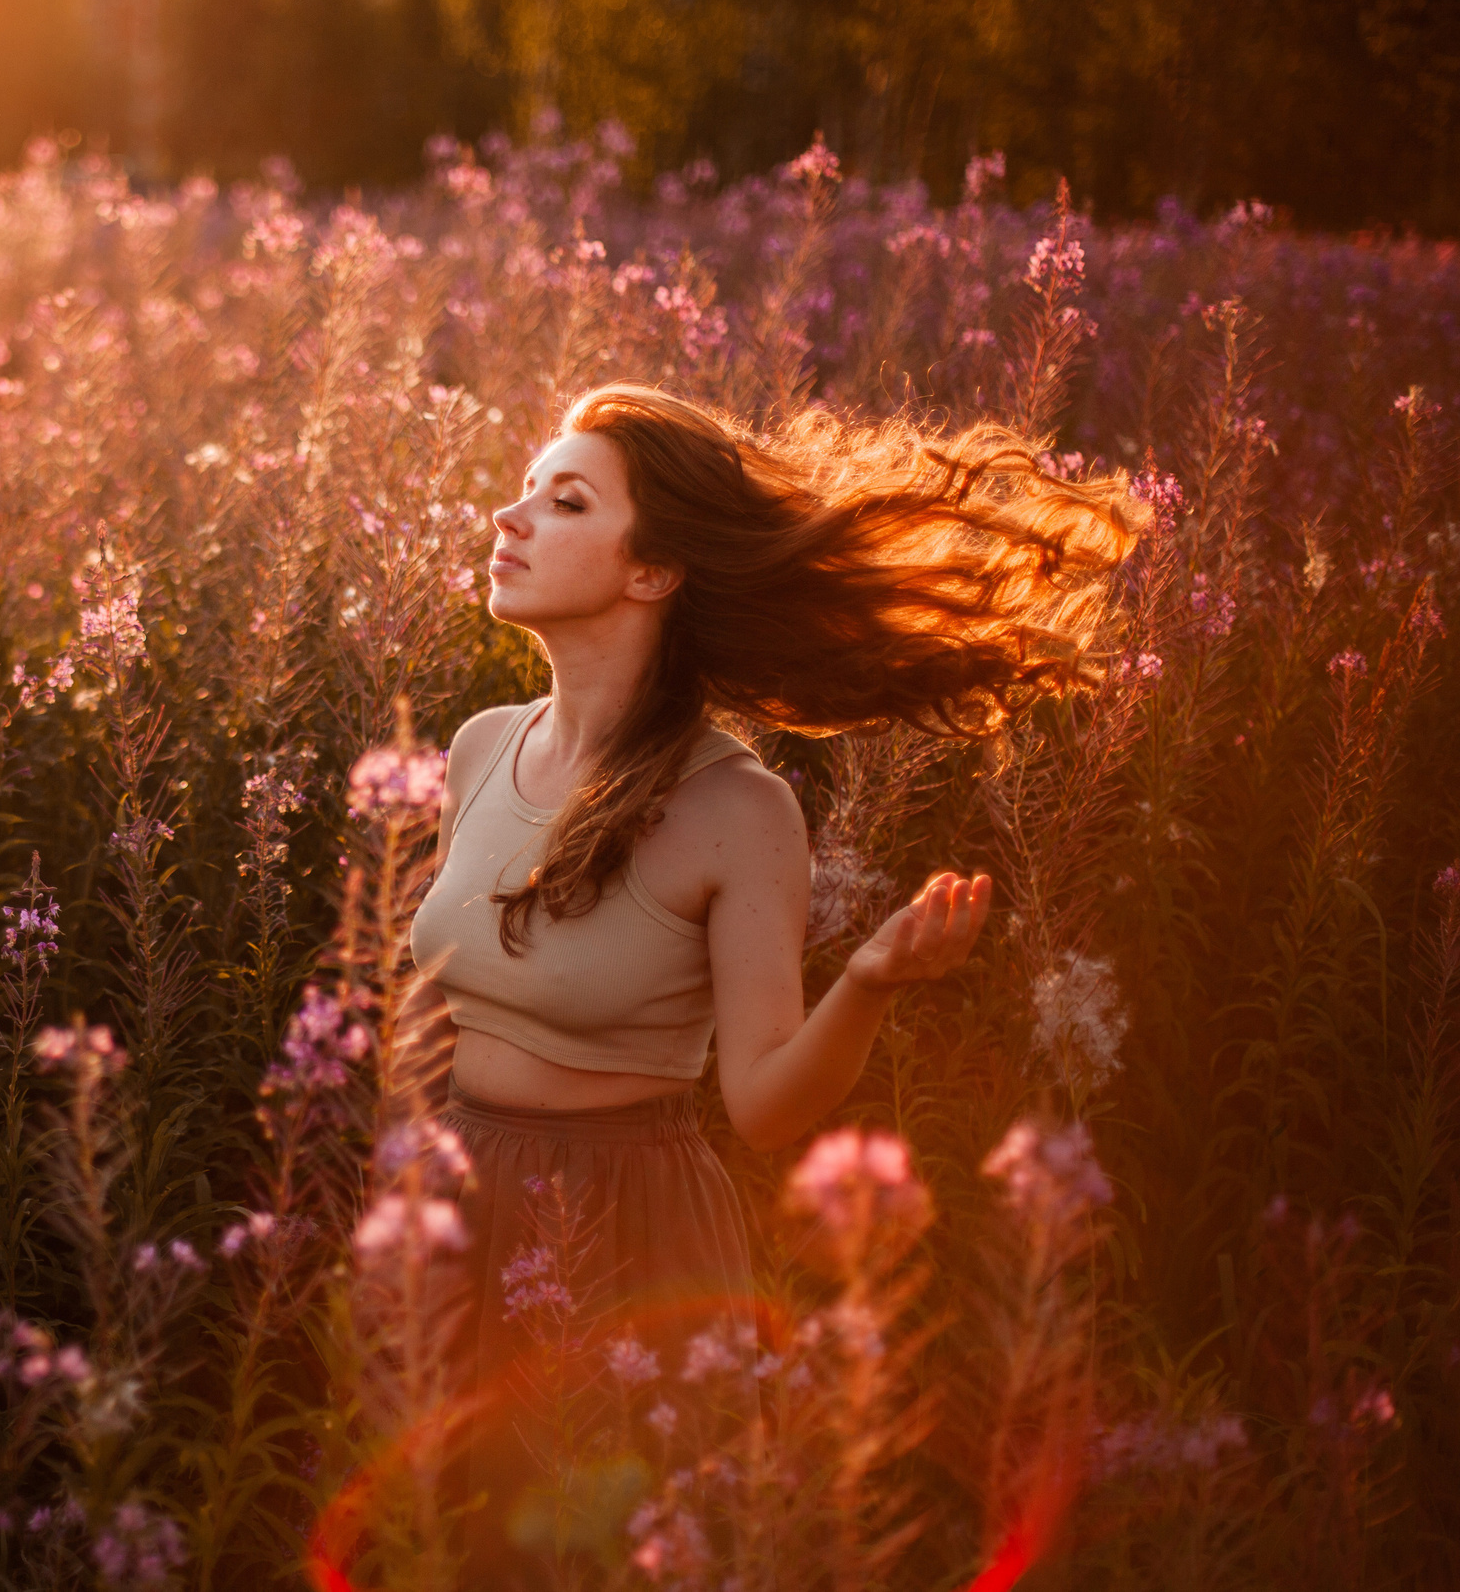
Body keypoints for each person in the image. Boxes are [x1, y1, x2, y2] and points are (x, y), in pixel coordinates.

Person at [396, 382, 1144, 1578]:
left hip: (626, 1229)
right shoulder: (480, 747)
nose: (509, 514)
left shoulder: (736, 808)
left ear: (652, 572)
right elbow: (438, 1013)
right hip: (459, 1195)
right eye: (525, 488)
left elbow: (761, 1107)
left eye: (565, 499)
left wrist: (870, 981)